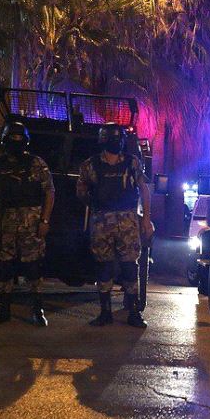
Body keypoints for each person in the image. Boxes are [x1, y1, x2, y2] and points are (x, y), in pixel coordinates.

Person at [76, 123, 153, 328]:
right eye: (113, 139)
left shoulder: (132, 163)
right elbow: (82, 191)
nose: (117, 143)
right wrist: (96, 206)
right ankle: (105, 312)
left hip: (127, 221)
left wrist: (146, 219)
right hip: (102, 221)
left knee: (130, 266)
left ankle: (134, 312)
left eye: (120, 139)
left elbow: (144, 190)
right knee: (104, 266)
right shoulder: (91, 165)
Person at [0, 122, 55, 327]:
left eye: (19, 140)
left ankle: (37, 310)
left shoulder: (36, 163)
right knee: (3, 267)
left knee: (33, 267)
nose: (16, 144)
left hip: (30, 222)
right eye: (12, 140)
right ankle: (3, 309)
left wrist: (44, 220)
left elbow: (49, 191)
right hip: (3, 222)